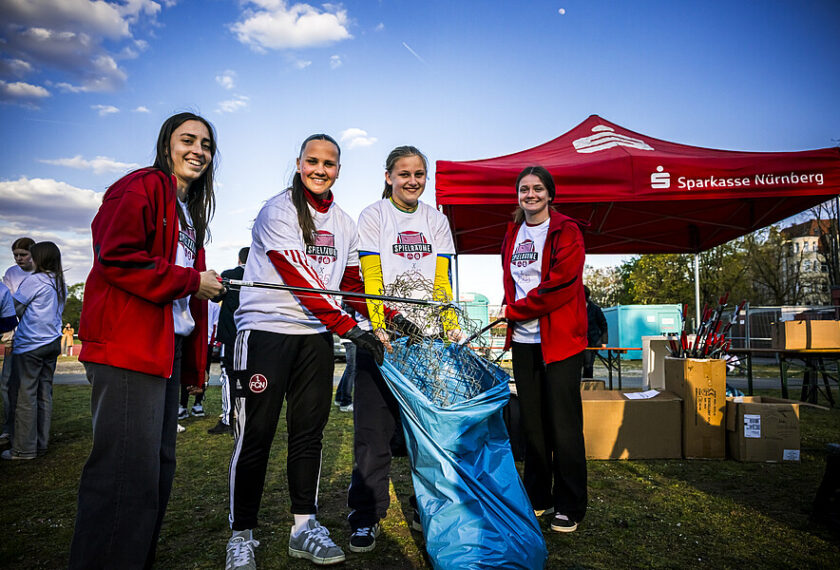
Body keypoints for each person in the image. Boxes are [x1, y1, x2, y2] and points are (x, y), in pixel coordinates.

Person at [68, 112, 225, 569]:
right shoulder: (141, 186)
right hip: (128, 349)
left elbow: (184, 293)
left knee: (154, 473)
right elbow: (116, 256)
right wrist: (191, 280)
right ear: (166, 144)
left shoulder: (186, 209)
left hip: (165, 352)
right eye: (188, 140)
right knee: (122, 477)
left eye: (207, 144)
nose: (198, 150)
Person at [225, 134, 383, 569]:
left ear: (338, 169)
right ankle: (242, 535)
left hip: (314, 337)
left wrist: (379, 319)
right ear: (298, 164)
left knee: (308, 435)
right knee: (253, 436)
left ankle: (304, 526)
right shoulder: (277, 210)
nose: (320, 169)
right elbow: (300, 278)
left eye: (329, 163)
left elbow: (350, 285)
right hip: (263, 335)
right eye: (312, 161)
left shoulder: (345, 222)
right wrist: (350, 329)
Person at [346, 145, 459, 553]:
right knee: (372, 435)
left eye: (419, 174)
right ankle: (365, 515)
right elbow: (371, 275)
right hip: (381, 339)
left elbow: (443, 281)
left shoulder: (438, 220)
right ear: (389, 176)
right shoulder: (373, 215)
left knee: (423, 434)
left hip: (425, 342)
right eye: (404, 173)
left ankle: (422, 507)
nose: (412, 181)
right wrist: (381, 326)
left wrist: (448, 327)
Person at [500, 165, 588, 533]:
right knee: (532, 426)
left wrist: (513, 311)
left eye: (538, 189)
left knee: (563, 427)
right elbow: (512, 280)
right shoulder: (513, 231)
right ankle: (538, 496)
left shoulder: (567, 230)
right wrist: (513, 316)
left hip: (560, 341)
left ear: (550, 194)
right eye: (524, 189)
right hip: (524, 341)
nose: (530, 195)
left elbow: (561, 284)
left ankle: (570, 505)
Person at [1, 241, 66, 460]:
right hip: (52, 342)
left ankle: (24, 449)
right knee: (44, 394)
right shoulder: (59, 281)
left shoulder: (34, 280)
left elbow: (13, 308)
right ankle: (41, 443)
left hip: (31, 345)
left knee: (25, 395)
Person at [208, 246, 249, 435]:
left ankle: (227, 419)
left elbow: (215, 296)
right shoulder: (259, 276)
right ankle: (245, 418)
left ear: (239, 259)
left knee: (228, 376)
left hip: (232, 335)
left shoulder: (230, 274)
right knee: (249, 377)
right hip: (253, 335)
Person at [0, 237, 35, 443]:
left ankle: (32, 430)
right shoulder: (11, 274)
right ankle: (8, 428)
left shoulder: (41, 274)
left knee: (32, 387)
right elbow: (7, 303)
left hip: (34, 336)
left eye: (23, 254)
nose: (19, 259)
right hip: (14, 334)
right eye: (15, 255)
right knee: (7, 383)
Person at [334, 301, 356, 412]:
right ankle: (345, 402)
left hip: (349, 337)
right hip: (351, 337)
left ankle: (339, 397)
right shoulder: (351, 299)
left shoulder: (347, 299)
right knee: (352, 369)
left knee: (349, 368)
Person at [582, 285, 608, 378]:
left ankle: (588, 386)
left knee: (588, 365)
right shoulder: (574, 308)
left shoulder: (595, 309)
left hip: (591, 342)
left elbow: (603, 325)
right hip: (577, 342)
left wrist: (604, 342)